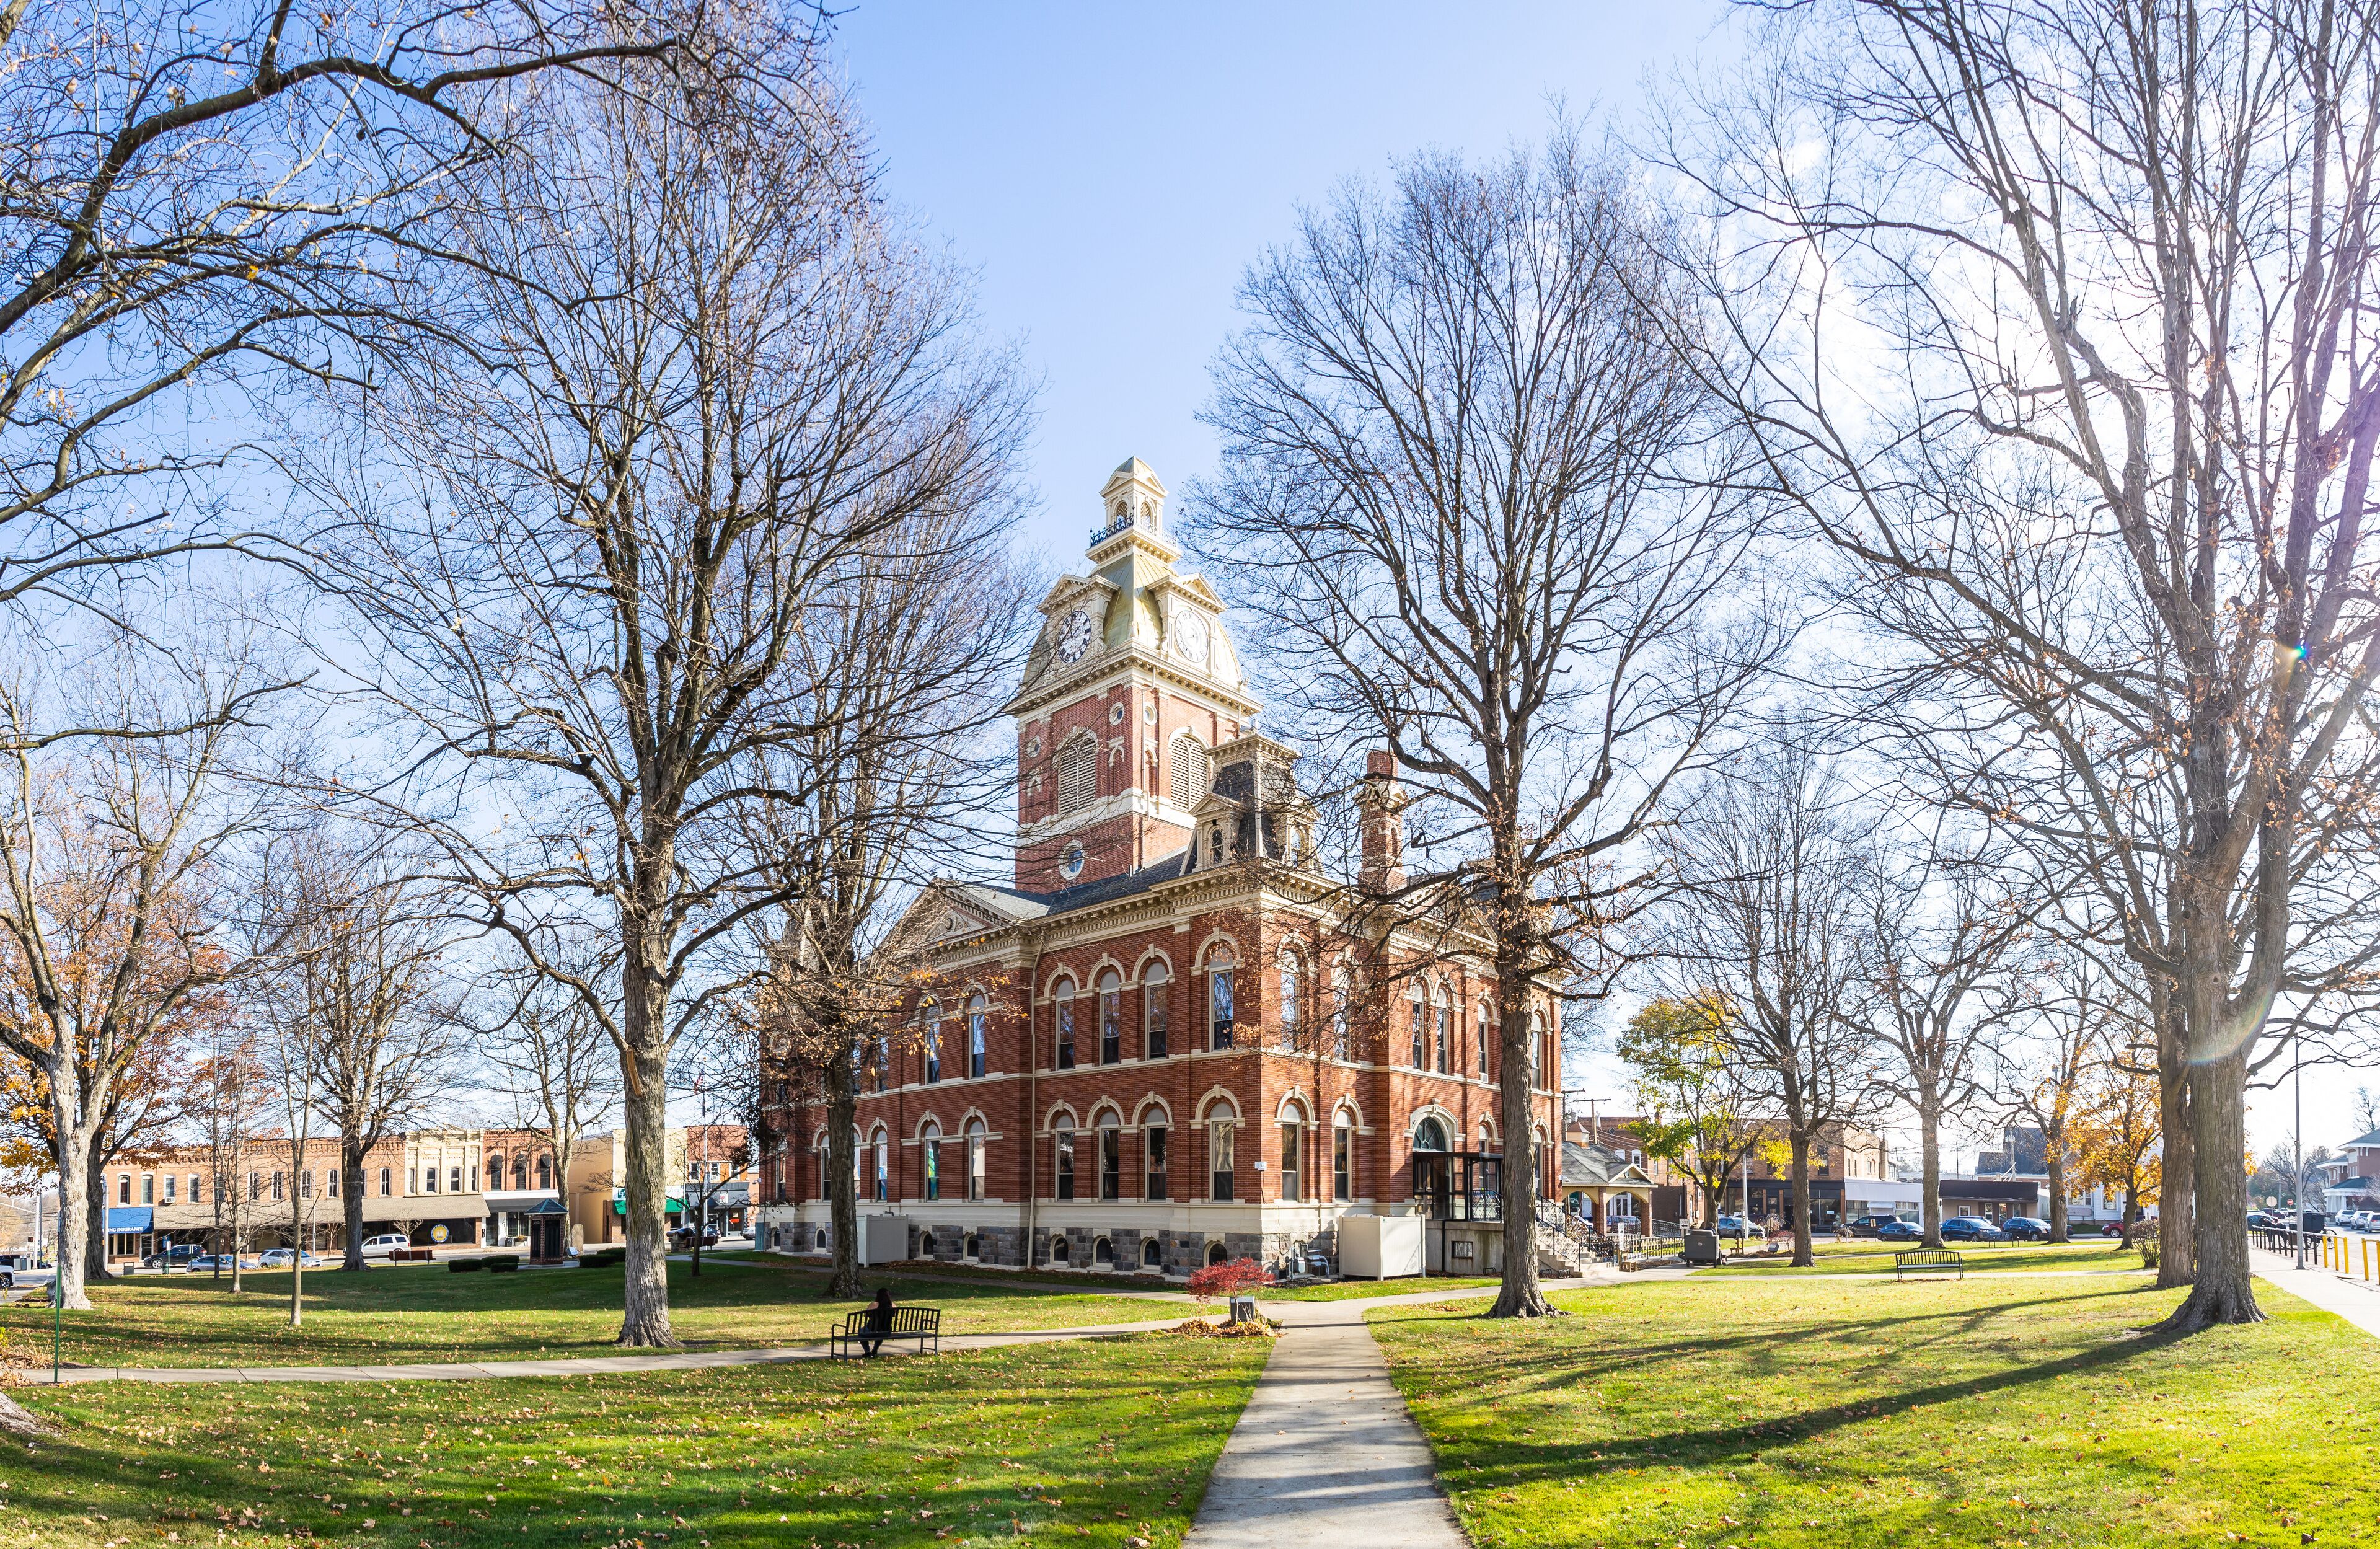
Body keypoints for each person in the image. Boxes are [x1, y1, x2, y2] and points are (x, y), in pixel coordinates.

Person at [858, 1287, 895, 1357]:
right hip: (886, 1332)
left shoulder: (874, 1305)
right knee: (880, 1333)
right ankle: (875, 1350)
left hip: (872, 1331)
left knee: (861, 1331)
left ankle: (868, 1352)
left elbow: (865, 1315)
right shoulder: (893, 1305)